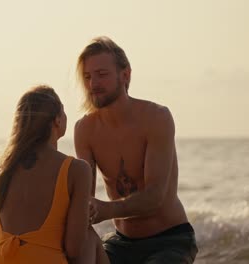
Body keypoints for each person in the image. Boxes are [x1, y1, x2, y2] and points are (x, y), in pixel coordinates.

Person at [74, 36, 198, 263]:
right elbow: (85, 200)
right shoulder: (85, 130)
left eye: (102, 75)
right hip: (121, 243)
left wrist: (106, 210)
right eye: (87, 77)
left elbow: (155, 197)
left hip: (170, 240)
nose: (93, 84)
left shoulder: (156, 118)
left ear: (125, 75)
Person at [0, 85, 109, 264]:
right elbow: (74, 249)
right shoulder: (76, 169)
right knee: (90, 237)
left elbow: (1, 242)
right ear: (57, 120)